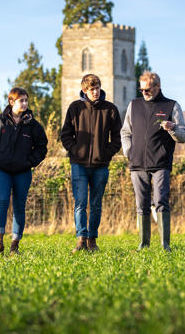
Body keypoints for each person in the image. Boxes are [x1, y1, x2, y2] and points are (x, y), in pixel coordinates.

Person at [121, 71, 185, 251]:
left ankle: (165, 245)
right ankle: (144, 244)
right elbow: (125, 132)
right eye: (141, 90)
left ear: (158, 87)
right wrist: (129, 151)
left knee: (161, 200)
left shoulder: (171, 106)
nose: (144, 93)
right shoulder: (133, 105)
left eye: (148, 90)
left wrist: (173, 128)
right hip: (137, 164)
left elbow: (184, 136)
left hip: (160, 163)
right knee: (141, 204)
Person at [60, 74, 122, 253]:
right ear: (85, 90)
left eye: (97, 88)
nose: (95, 92)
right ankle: (81, 239)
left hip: (101, 165)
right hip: (78, 164)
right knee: (80, 202)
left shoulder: (110, 109)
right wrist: (76, 151)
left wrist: (106, 153)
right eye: (91, 89)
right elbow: (65, 134)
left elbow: (117, 138)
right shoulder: (75, 108)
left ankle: (92, 240)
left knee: (95, 204)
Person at [0, 87, 48, 255]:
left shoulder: (33, 125)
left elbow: (42, 147)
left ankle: (15, 244)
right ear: (11, 102)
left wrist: (30, 162)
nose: (25, 103)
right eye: (21, 100)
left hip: (23, 172)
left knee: (19, 206)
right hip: (2, 170)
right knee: (2, 202)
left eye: (26, 100)